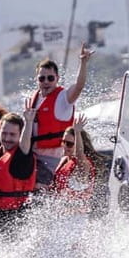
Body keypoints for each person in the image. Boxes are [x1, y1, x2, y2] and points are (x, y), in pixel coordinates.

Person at [30, 43, 94, 188]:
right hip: (34, 158)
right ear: (37, 80)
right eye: (42, 78)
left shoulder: (63, 98)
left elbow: (79, 86)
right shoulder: (34, 99)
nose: (46, 82)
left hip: (53, 159)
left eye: (50, 78)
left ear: (57, 78)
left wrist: (83, 62)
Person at [0, 102, 37, 226]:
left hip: (16, 217)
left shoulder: (21, 155)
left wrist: (29, 122)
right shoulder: (0, 155)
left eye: (12, 135)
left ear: (20, 136)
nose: (7, 138)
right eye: (4, 133)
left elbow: (25, 145)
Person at [53, 114, 109, 214]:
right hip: (60, 214)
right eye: (63, 142)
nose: (65, 146)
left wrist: (77, 132)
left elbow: (79, 154)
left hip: (76, 219)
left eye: (69, 144)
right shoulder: (65, 160)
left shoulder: (83, 165)